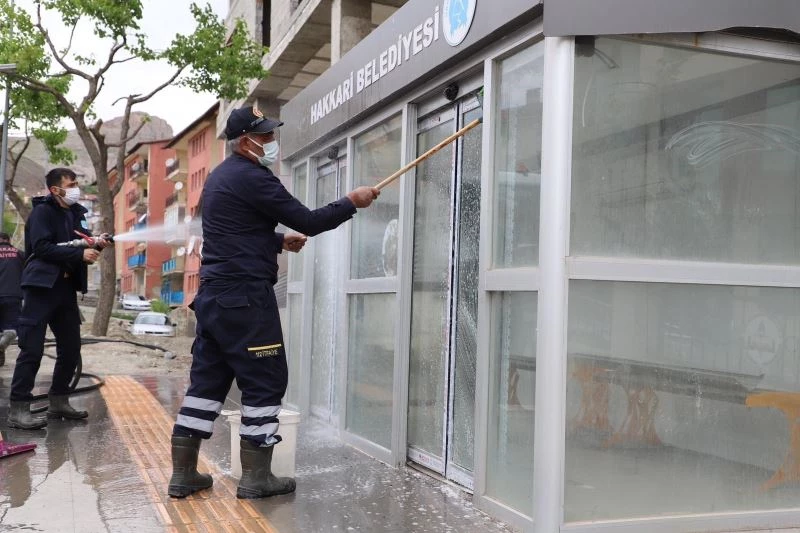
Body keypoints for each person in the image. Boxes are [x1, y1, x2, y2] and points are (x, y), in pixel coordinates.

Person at [168, 106, 379, 500]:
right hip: (245, 299)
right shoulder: (253, 177)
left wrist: (277, 241)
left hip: (214, 299)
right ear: (245, 141)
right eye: (264, 136)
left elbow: (232, 231)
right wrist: (352, 201)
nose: (270, 142)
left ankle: (183, 475)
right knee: (264, 381)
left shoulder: (218, 179)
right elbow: (311, 220)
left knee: (206, 384)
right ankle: (257, 478)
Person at [7, 168, 111, 430]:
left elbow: (80, 243)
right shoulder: (43, 212)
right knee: (32, 349)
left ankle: (59, 400)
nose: (77, 188)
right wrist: (79, 256)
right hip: (41, 287)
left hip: (65, 289)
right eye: (72, 184)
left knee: (71, 348)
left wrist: (97, 243)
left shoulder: (75, 214)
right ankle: (19, 409)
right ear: (55, 189)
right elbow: (41, 248)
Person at [0, 232, 23, 366]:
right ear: (9, 240)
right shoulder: (19, 253)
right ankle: (1, 345)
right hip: (13, 295)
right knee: (11, 329)